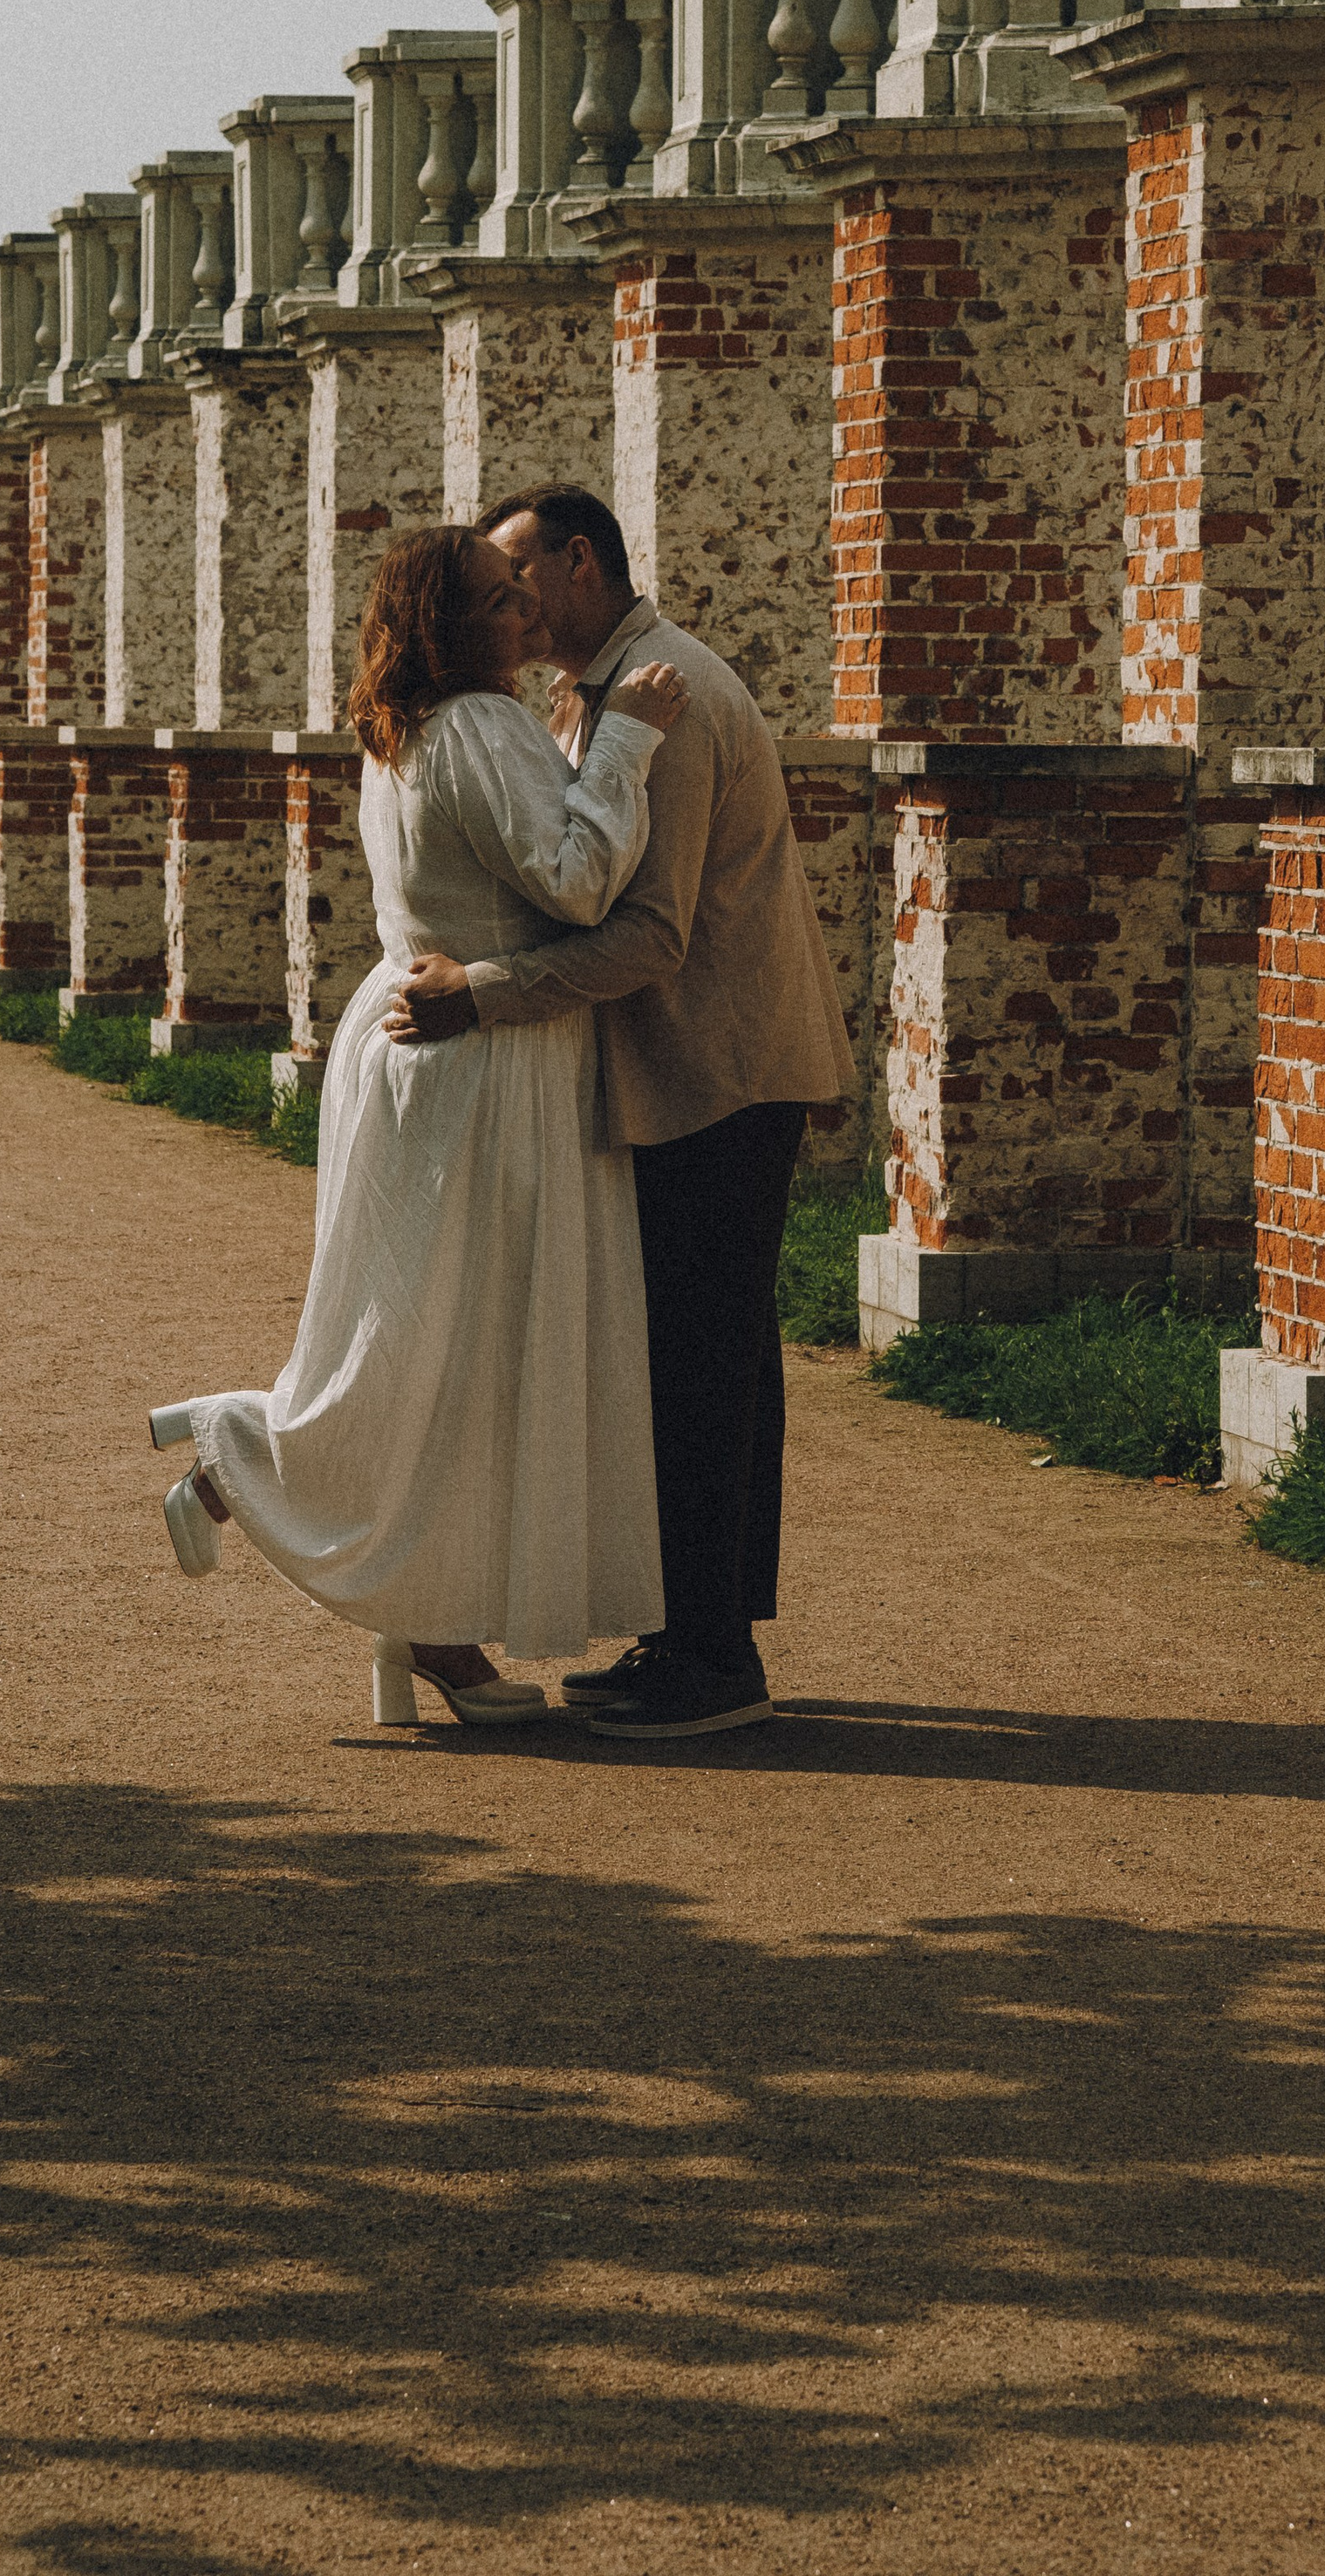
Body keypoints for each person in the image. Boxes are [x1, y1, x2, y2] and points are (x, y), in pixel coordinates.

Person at [154, 522, 687, 1729]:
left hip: (410, 1044)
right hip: (485, 1064)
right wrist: (627, 747)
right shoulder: (482, 724)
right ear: (450, 625)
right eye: (500, 603)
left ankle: (428, 1624)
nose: (525, 619)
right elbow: (578, 883)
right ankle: (242, 1453)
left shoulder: (399, 735)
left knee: (433, 1331)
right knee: (466, 1346)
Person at [384, 485, 853, 1740]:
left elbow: (648, 937)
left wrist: (482, 995)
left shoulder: (672, 694)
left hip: (719, 1066)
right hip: (688, 1069)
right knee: (706, 1360)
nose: (510, 604)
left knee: (701, 1366)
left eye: (518, 579)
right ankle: (692, 1633)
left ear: (579, 565)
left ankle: (711, 1658)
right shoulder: (596, 692)